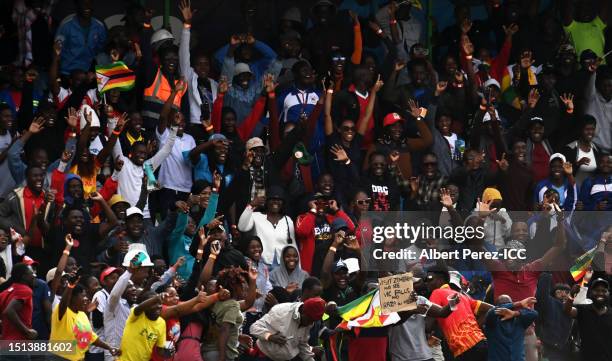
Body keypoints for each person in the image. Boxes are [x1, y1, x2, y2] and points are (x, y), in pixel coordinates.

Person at [49, 270, 120, 361]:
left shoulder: (82, 315)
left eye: (86, 296)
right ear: (72, 298)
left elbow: (91, 337)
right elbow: (64, 302)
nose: (86, 299)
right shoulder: (63, 311)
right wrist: (70, 286)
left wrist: (109, 348)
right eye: (83, 296)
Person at [250, 297, 326, 361]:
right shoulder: (281, 311)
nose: (310, 324)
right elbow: (254, 328)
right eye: (309, 320)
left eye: (313, 321)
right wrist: (270, 336)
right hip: (264, 356)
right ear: (303, 311)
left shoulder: (309, 321)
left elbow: (302, 344)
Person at [238, 185, 295, 268]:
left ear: (282, 203)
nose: (275, 202)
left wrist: (297, 267)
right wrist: (251, 205)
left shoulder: (287, 220)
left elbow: (292, 245)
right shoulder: (256, 216)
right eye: (272, 199)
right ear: (267, 201)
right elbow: (242, 227)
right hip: (262, 263)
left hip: (282, 265)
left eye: (279, 200)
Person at [564, 277, 612, 361]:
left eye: (604, 291)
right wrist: (571, 295)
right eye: (596, 290)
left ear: (608, 293)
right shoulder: (583, 309)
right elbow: (567, 311)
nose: (600, 293)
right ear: (591, 293)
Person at [54, 0, 106, 75]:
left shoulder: (99, 26)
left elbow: (100, 50)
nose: (87, 6)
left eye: (89, 3)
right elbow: (56, 53)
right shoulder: (66, 26)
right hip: (68, 73)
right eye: (83, 3)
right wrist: (55, 80)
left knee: (103, 57)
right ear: (77, 6)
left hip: (88, 74)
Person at [484, 295, 539, 361]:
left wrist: (515, 313)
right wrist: (518, 303)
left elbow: (534, 314)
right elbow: (492, 312)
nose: (506, 309)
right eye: (503, 305)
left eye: (508, 304)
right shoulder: (492, 323)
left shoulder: (519, 322)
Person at [118, 291, 169, 361]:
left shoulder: (162, 323)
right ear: (145, 306)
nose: (158, 306)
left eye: (159, 303)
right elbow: (139, 308)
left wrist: (167, 353)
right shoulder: (136, 315)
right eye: (154, 303)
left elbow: (160, 349)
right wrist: (156, 298)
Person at [0, 263, 37, 342]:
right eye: (32, 273)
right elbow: (9, 311)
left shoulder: (5, 292)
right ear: (24, 276)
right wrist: (27, 331)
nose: (34, 276)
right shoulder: (25, 290)